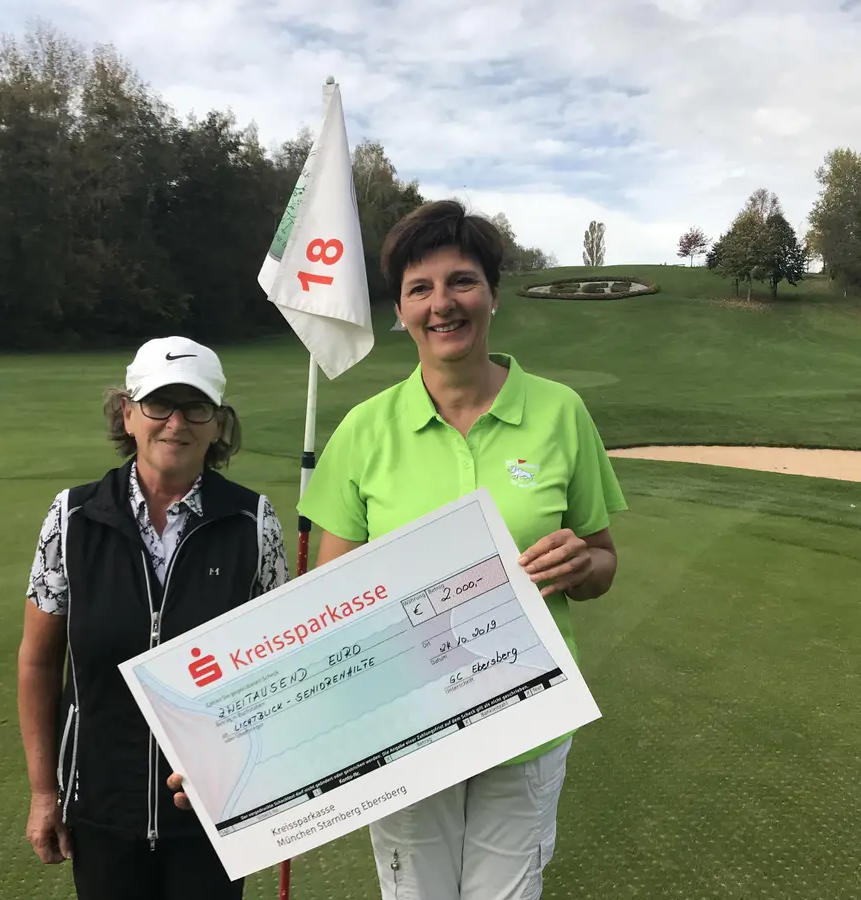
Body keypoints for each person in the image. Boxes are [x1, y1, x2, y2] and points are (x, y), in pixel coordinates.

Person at [287, 199, 627, 898]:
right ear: (401, 311)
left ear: (493, 295)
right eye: (420, 288)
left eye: (462, 281)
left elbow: (603, 563)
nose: (442, 303)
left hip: (526, 718)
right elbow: (334, 605)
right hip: (406, 725)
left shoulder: (560, 412)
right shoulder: (365, 430)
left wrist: (581, 564)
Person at [16, 336, 289, 900]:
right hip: (101, 809)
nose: (176, 423)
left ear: (219, 424)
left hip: (212, 808)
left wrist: (266, 780)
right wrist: (45, 793)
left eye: (196, 407)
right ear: (128, 414)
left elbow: (278, 667)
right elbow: (39, 661)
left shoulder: (253, 522)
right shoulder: (72, 517)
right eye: (159, 404)